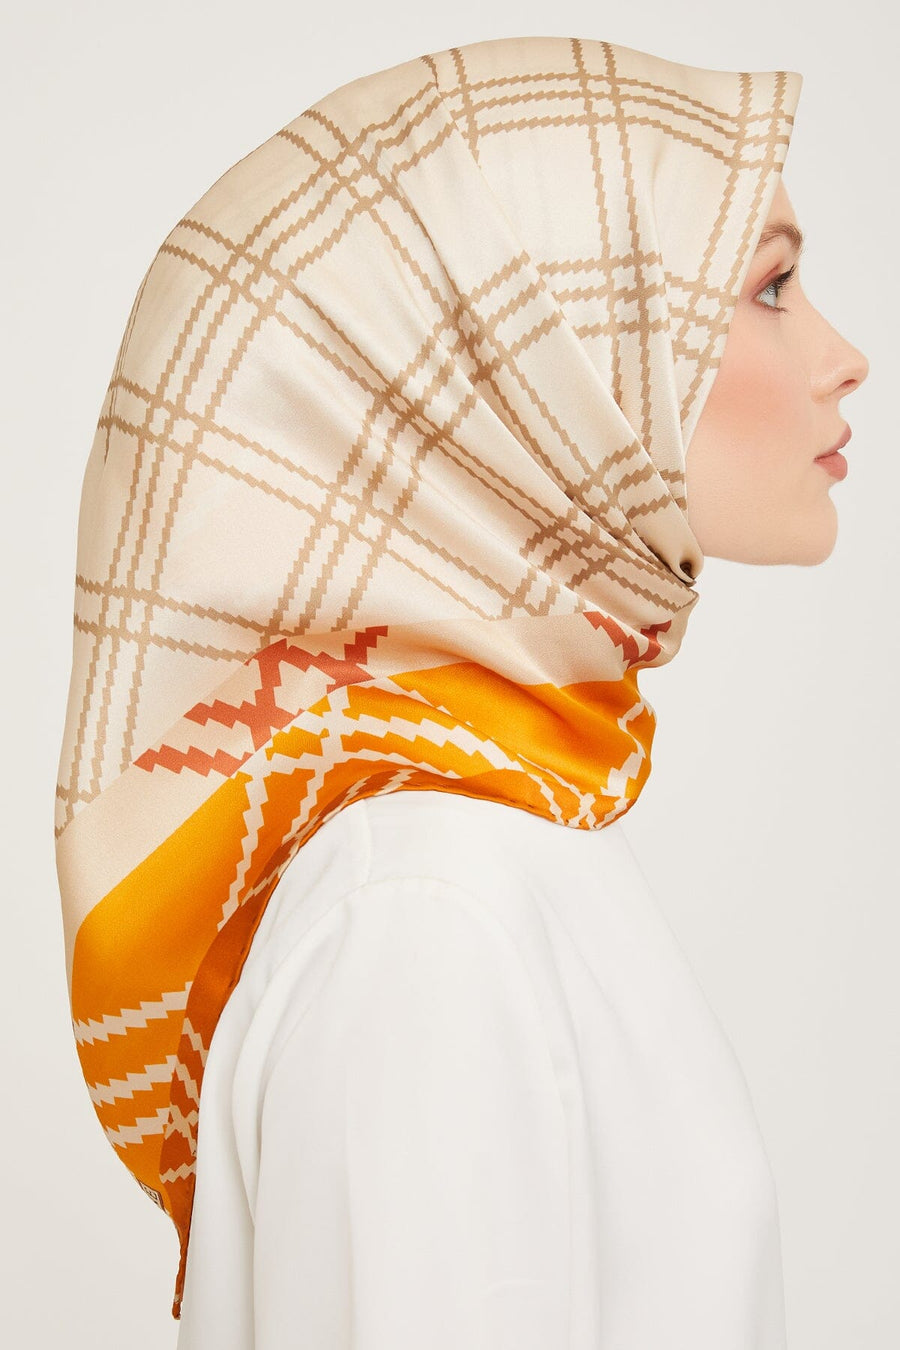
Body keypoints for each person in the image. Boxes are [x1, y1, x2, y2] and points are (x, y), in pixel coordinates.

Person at [53, 33, 867, 1349]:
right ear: (550, 374)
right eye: (771, 286)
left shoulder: (494, 847)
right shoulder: (427, 906)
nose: (845, 356)